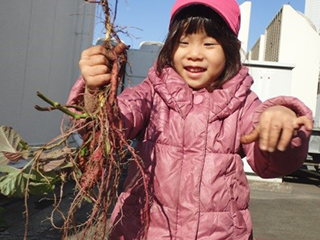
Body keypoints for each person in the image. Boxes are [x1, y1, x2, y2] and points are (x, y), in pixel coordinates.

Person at [67, 0, 313, 239]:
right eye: (184, 42)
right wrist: (95, 92)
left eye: (208, 44)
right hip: (142, 230)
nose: (194, 54)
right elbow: (111, 127)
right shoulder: (151, 93)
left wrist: (282, 125)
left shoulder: (243, 102)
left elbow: (269, 164)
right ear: (171, 47)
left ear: (229, 49)